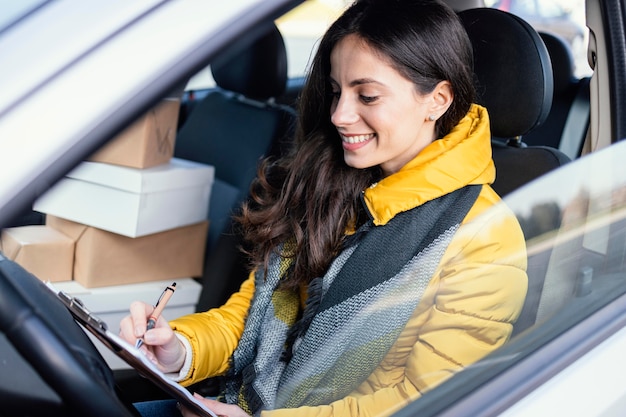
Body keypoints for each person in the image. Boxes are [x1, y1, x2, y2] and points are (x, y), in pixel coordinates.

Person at [119, 0, 528, 416]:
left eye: (366, 95)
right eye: (336, 92)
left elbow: (427, 404)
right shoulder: (332, 180)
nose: (339, 115)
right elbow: (250, 321)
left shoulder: (485, 237)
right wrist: (180, 350)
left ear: (437, 100)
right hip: (237, 401)